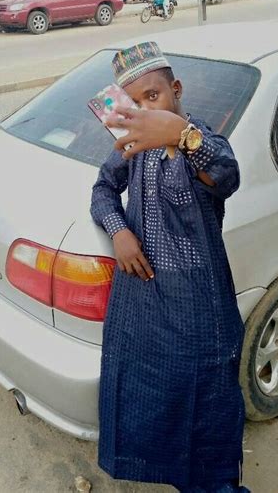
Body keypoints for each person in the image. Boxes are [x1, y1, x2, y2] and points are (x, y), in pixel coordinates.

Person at [91, 42, 249, 493]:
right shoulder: (134, 145)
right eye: (135, 102)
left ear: (175, 90)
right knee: (151, 402)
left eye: (153, 96)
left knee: (208, 413)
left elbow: (227, 176)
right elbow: (102, 189)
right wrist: (119, 231)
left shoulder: (201, 141)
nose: (146, 109)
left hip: (198, 308)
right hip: (144, 304)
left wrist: (181, 135)